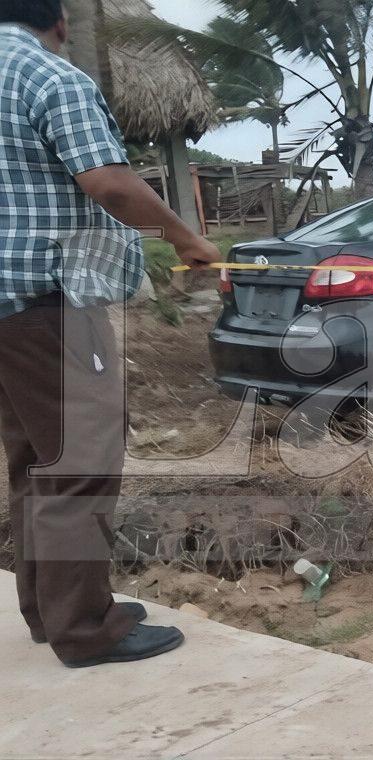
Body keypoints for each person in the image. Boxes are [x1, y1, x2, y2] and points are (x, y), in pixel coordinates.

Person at [0, 0, 220, 667]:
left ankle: (50, 610)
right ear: (59, 21)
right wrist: (187, 242)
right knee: (83, 459)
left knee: (34, 461)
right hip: (48, 304)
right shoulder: (49, 77)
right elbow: (109, 184)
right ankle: (86, 629)